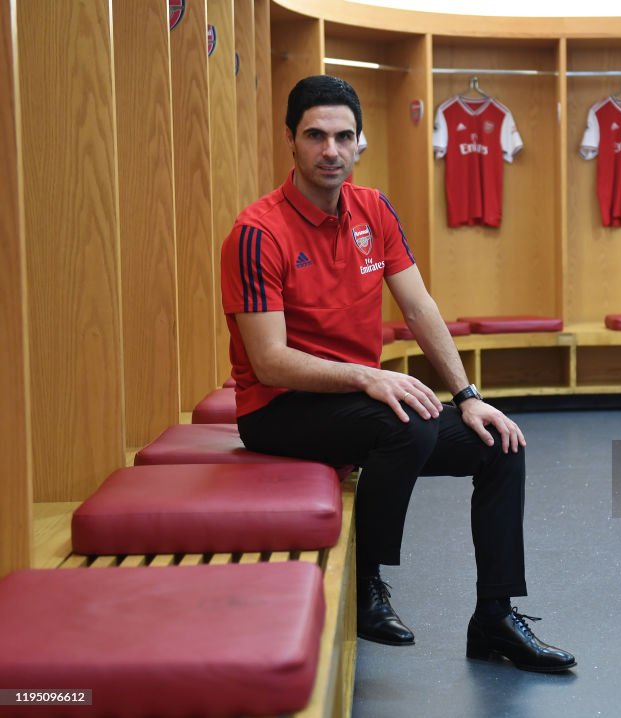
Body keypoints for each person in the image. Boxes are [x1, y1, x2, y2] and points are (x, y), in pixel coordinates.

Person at [220, 75, 575, 673]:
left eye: (342, 136)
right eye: (315, 136)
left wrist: (467, 396)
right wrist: (365, 376)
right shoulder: (256, 233)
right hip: (277, 411)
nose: (329, 150)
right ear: (290, 141)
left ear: (360, 142)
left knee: (499, 444)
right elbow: (269, 361)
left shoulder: (373, 208)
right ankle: (367, 585)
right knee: (403, 427)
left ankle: (494, 617)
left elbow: (419, 306)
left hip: (356, 403)